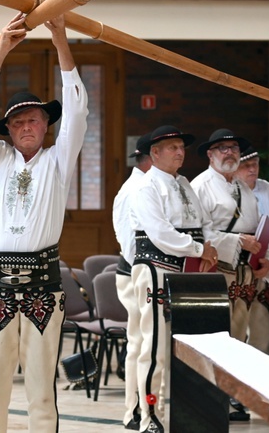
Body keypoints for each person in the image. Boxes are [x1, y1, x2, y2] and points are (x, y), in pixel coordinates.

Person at [0, 12, 88, 433]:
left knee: (42, 390)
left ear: (45, 125)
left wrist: (61, 43)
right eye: (17, 122)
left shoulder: (59, 161)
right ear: (9, 131)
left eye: (33, 119)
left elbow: (77, 112)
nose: (26, 127)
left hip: (42, 282)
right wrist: (1, 49)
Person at [131, 125, 222, 433]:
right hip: (157, 270)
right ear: (154, 154)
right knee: (154, 347)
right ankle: (150, 415)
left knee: (189, 345)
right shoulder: (146, 187)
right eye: (172, 147)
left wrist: (208, 245)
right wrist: (199, 248)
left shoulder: (184, 183)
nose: (180, 152)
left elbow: (205, 223)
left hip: (190, 271)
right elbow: (160, 234)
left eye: (182, 147)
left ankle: (190, 409)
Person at [191, 128, 269, 423]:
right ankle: (210, 395)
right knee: (217, 334)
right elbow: (198, 233)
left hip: (245, 273)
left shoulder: (244, 188)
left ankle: (230, 394)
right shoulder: (200, 186)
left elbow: (261, 227)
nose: (230, 152)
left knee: (239, 335)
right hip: (217, 270)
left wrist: (266, 260)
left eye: (234, 148)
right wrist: (238, 242)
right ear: (210, 155)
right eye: (222, 148)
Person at [112, 132, 152, 430]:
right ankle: (133, 410)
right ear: (152, 158)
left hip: (151, 274)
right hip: (135, 273)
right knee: (138, 344)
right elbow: (130, 245)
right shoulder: (133, 191)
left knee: (148, 345)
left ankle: (148, 404)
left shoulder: (151, 186)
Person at [236, 145, 269, 255]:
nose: (252, 169)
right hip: (242, 256)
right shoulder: (231, 191)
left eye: (255, 164)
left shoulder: (267, 188)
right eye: (246, 166)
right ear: (235, 168)